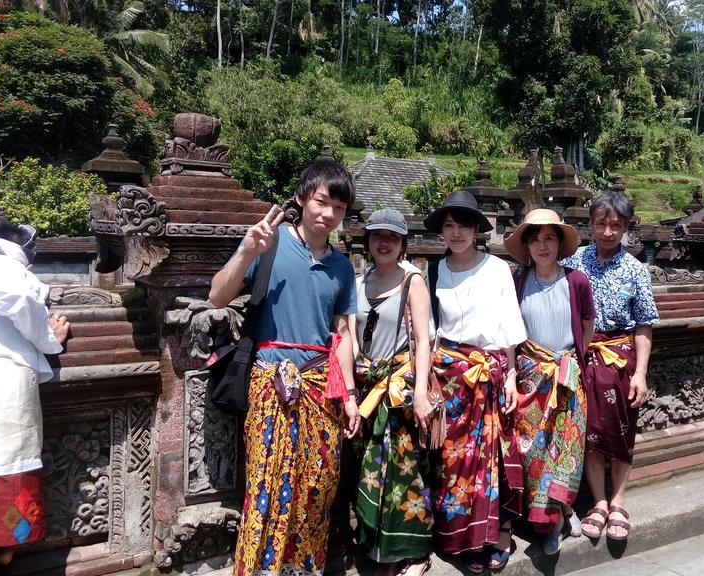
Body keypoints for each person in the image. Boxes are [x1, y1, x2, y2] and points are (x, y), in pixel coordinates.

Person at [209, 160, 361, 576]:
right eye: (321, 202)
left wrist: (349, 396)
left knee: (317, 485)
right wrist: (245, 251)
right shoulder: (270, 244)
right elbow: (217, 296)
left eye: (339, 208)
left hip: (320, 386)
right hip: (269, 382)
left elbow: (343, 335)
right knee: (267, 481)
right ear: (301, 199)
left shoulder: (343, 267)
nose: (328, 214)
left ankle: (304, 568)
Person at [423, 190, 527, 573]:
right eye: (448, 226)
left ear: (476, 230)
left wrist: (513, 376)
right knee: (452, 462)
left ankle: (499, 533)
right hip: (449, 380)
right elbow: (428, 332)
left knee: (495, 458)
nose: (455, 233)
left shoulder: (498, 269)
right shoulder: (432, 272)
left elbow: (510, 329)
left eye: (462, 225)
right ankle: (459, 538)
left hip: (491, 376)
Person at [0, 216, 70, 573]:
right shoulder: (10, 272)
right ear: (27, 259)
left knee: (3, 468)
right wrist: (47, 339)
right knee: (6, 469)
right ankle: (2, 553)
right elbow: (16, 297)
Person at [562, 190, 658, 542]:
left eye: (615, 225)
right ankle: (598, 502)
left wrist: (641, 373)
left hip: (620, 360)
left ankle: (618, 500)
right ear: (590, 225)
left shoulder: (635, 271)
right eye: (601, 224)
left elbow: (644, 324)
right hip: (582, 358)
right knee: (586, 432)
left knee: (621, 431)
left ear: (626, 228)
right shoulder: (573, 261)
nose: (607, 232)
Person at [503, 209, 594, 555]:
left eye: (549, 238)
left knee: (564, 452)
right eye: (536, 239)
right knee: (534, 452)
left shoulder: (576, 281)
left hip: (567, 377)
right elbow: (508, 333)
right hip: (529, 380)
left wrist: (573, 359)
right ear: (526, 246)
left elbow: (586, 324)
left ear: (560, 244)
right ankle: (559, 513)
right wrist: (513, 372)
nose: (543, 246)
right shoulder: (517, 280)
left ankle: (553, 525)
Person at [351, 209, 434, 576]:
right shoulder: (359, 280)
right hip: (366, 387)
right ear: (367, 241)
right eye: (377, 236)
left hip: (398, 391)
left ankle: (413, 551)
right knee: (368, 471)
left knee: (403, 472)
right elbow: (348, 334)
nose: (384, 243)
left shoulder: (411, 280)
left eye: (392, 237)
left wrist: (419, 393)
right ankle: (376, 547)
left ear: (402, 244)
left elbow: (423, 340)